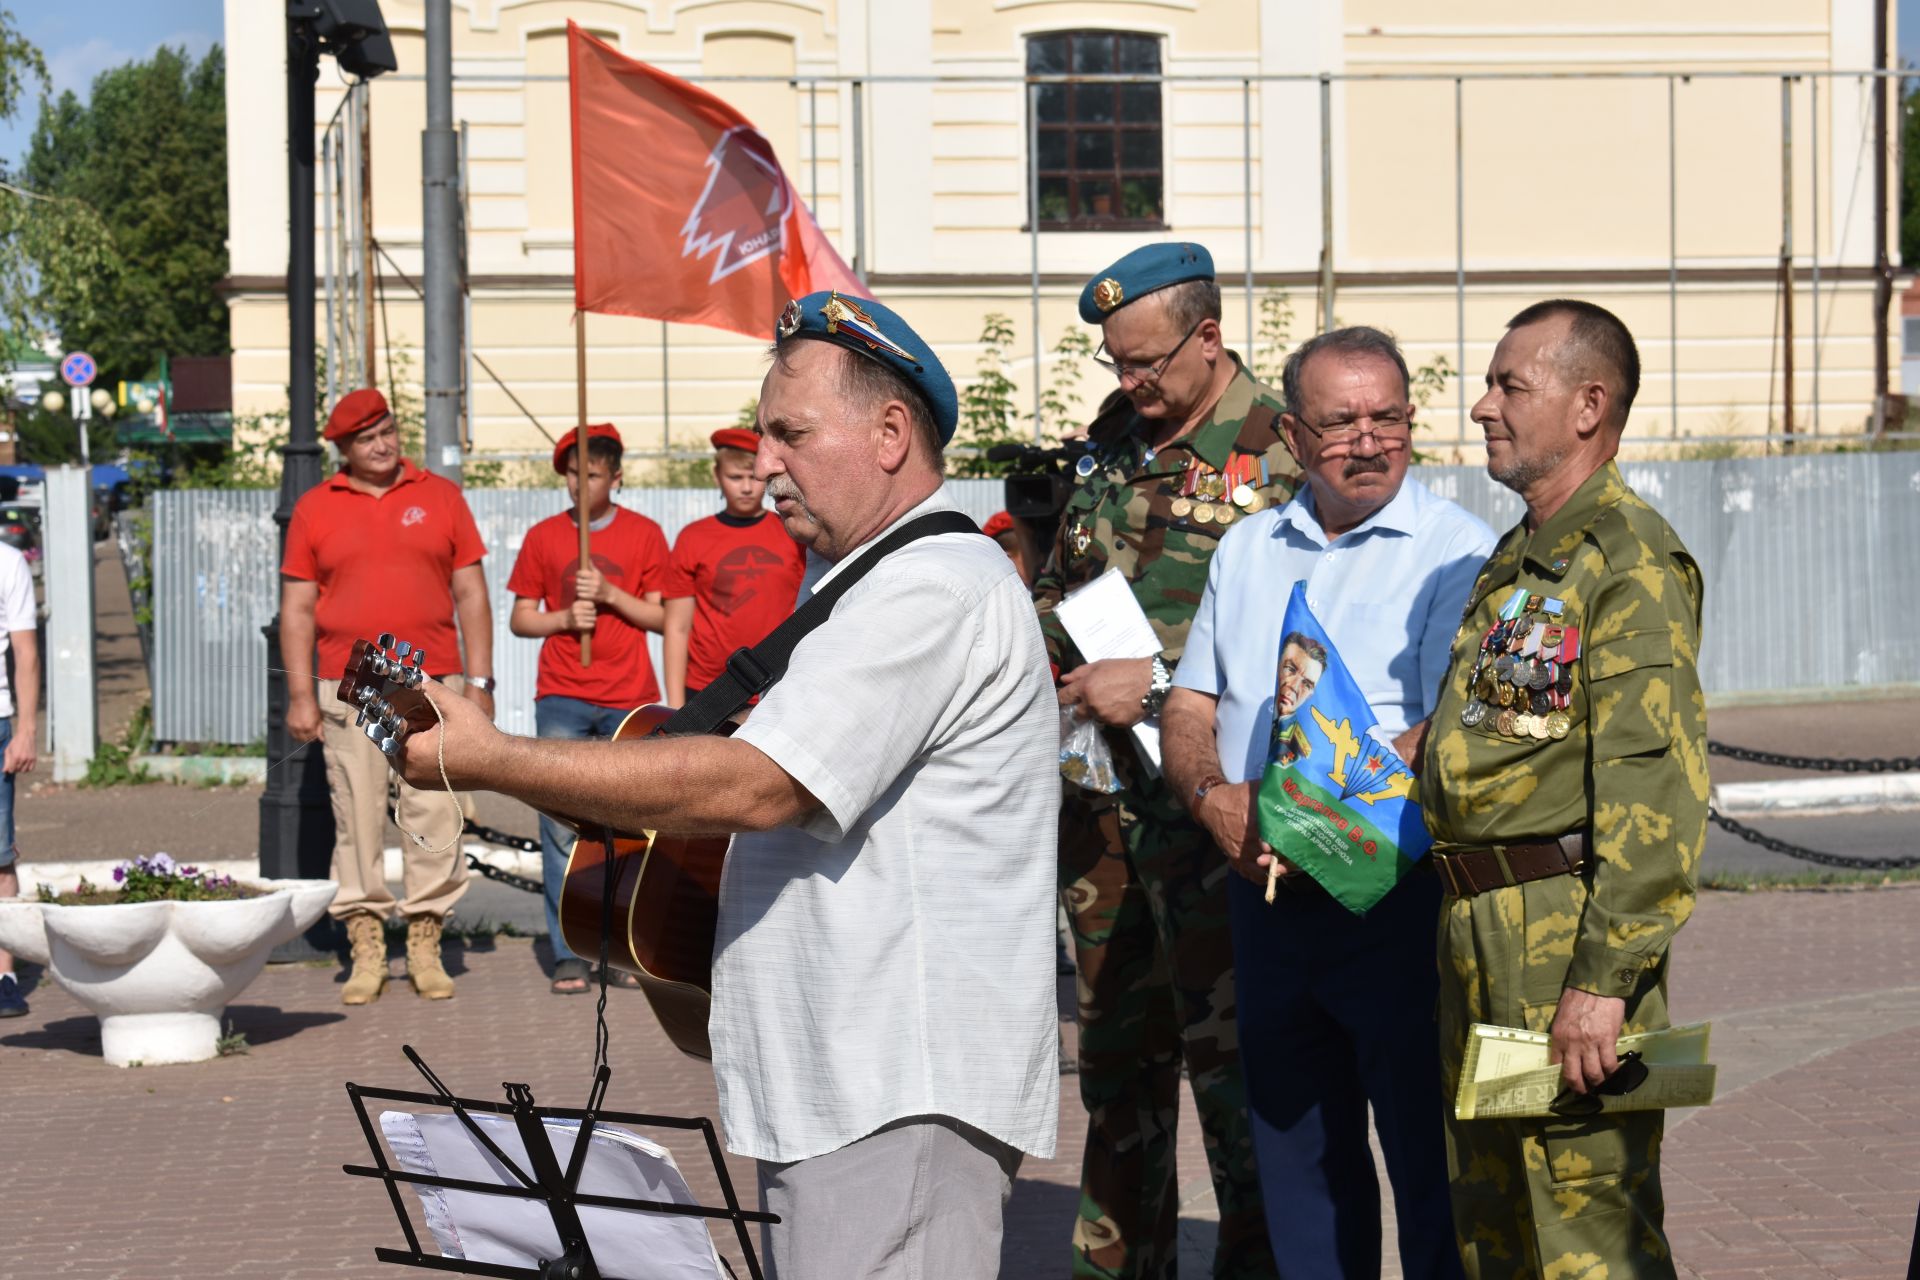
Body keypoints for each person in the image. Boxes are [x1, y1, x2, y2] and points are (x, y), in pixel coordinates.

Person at [388, 291, 1059, 1280]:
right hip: (851, 1079)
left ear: (889, 432)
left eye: (791, 433)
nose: (766, 460)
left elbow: (759, 786)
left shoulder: (935, 584)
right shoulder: (862, 582)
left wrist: (490, 757)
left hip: (897, 1083)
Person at [1162, 326, 1495, 1279]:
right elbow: (1190, 701)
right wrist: (1213, 796)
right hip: (1264, 896)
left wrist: (1305, 816)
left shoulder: (1456, 553)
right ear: (1295, 440)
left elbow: (1437, 731)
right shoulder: (1249, 547)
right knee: (1299, 1163)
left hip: (1393, 898)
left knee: (1428, 1162)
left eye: (1388, 415)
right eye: (1340, 420)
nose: (1369, 438)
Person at [1422, 299, 1706, 1278]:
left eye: (1510, 384)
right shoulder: (1523, 559)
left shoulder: (1625, 563)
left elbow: (1653, 789)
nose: (1481, 406)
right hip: (1480, 936)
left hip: (1561, 955)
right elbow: (1509, 736)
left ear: (1589, 405)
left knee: (1586, 1242)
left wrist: (1603, 981)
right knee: (1499, 1229)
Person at [1033, 241, 1300, 1279]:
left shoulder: (1284, 451)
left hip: (1217, 818)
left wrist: (1153, 682)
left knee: (1241, 1081)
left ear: (1209, 336)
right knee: (1116, 1074)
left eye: (1146, 363)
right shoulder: (1111, 441)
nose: (1130, 384)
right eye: (1115, 364)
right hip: (1101, 814)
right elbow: (1068, 580)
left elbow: (1308, 650)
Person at [281, 388, 495, 1006]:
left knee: (433, 812)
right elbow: (297, 608)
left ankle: (425, 941)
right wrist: (299, 694)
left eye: (388, 431)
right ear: (343, 449)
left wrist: (479, 685)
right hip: (346, 683)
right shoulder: (316, 508)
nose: (383, 445)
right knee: (358, 814)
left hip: (429, 680)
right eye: (367, 438)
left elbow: (471, 593)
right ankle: (367, 947)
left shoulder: (441, 497)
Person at [505, 422, 669, 995]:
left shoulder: (646, 535)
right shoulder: (545, 537)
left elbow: (664, 617)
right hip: (562, 697)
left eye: (592, 474)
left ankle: (622, 945)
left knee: (628, 826)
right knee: (558, 827)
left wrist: (610, 597)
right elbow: (520, 617)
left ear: (615, 478)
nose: (580, 484)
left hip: (629, 699)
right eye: (572, 473)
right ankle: (570, 949)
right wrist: (561, 620)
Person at [660, 427, 804, 708]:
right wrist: (674, 707)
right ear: (717, 477)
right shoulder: (693, 537)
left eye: (753, 477)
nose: (747, 487)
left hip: (776, 686)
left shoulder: (792, 533)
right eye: (735, 477)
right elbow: (677, 626)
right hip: (706, 689)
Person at [0, 538, 36, 1018]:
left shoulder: (8, 562)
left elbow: (26, 652)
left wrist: (26, 730)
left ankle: (3, 974)